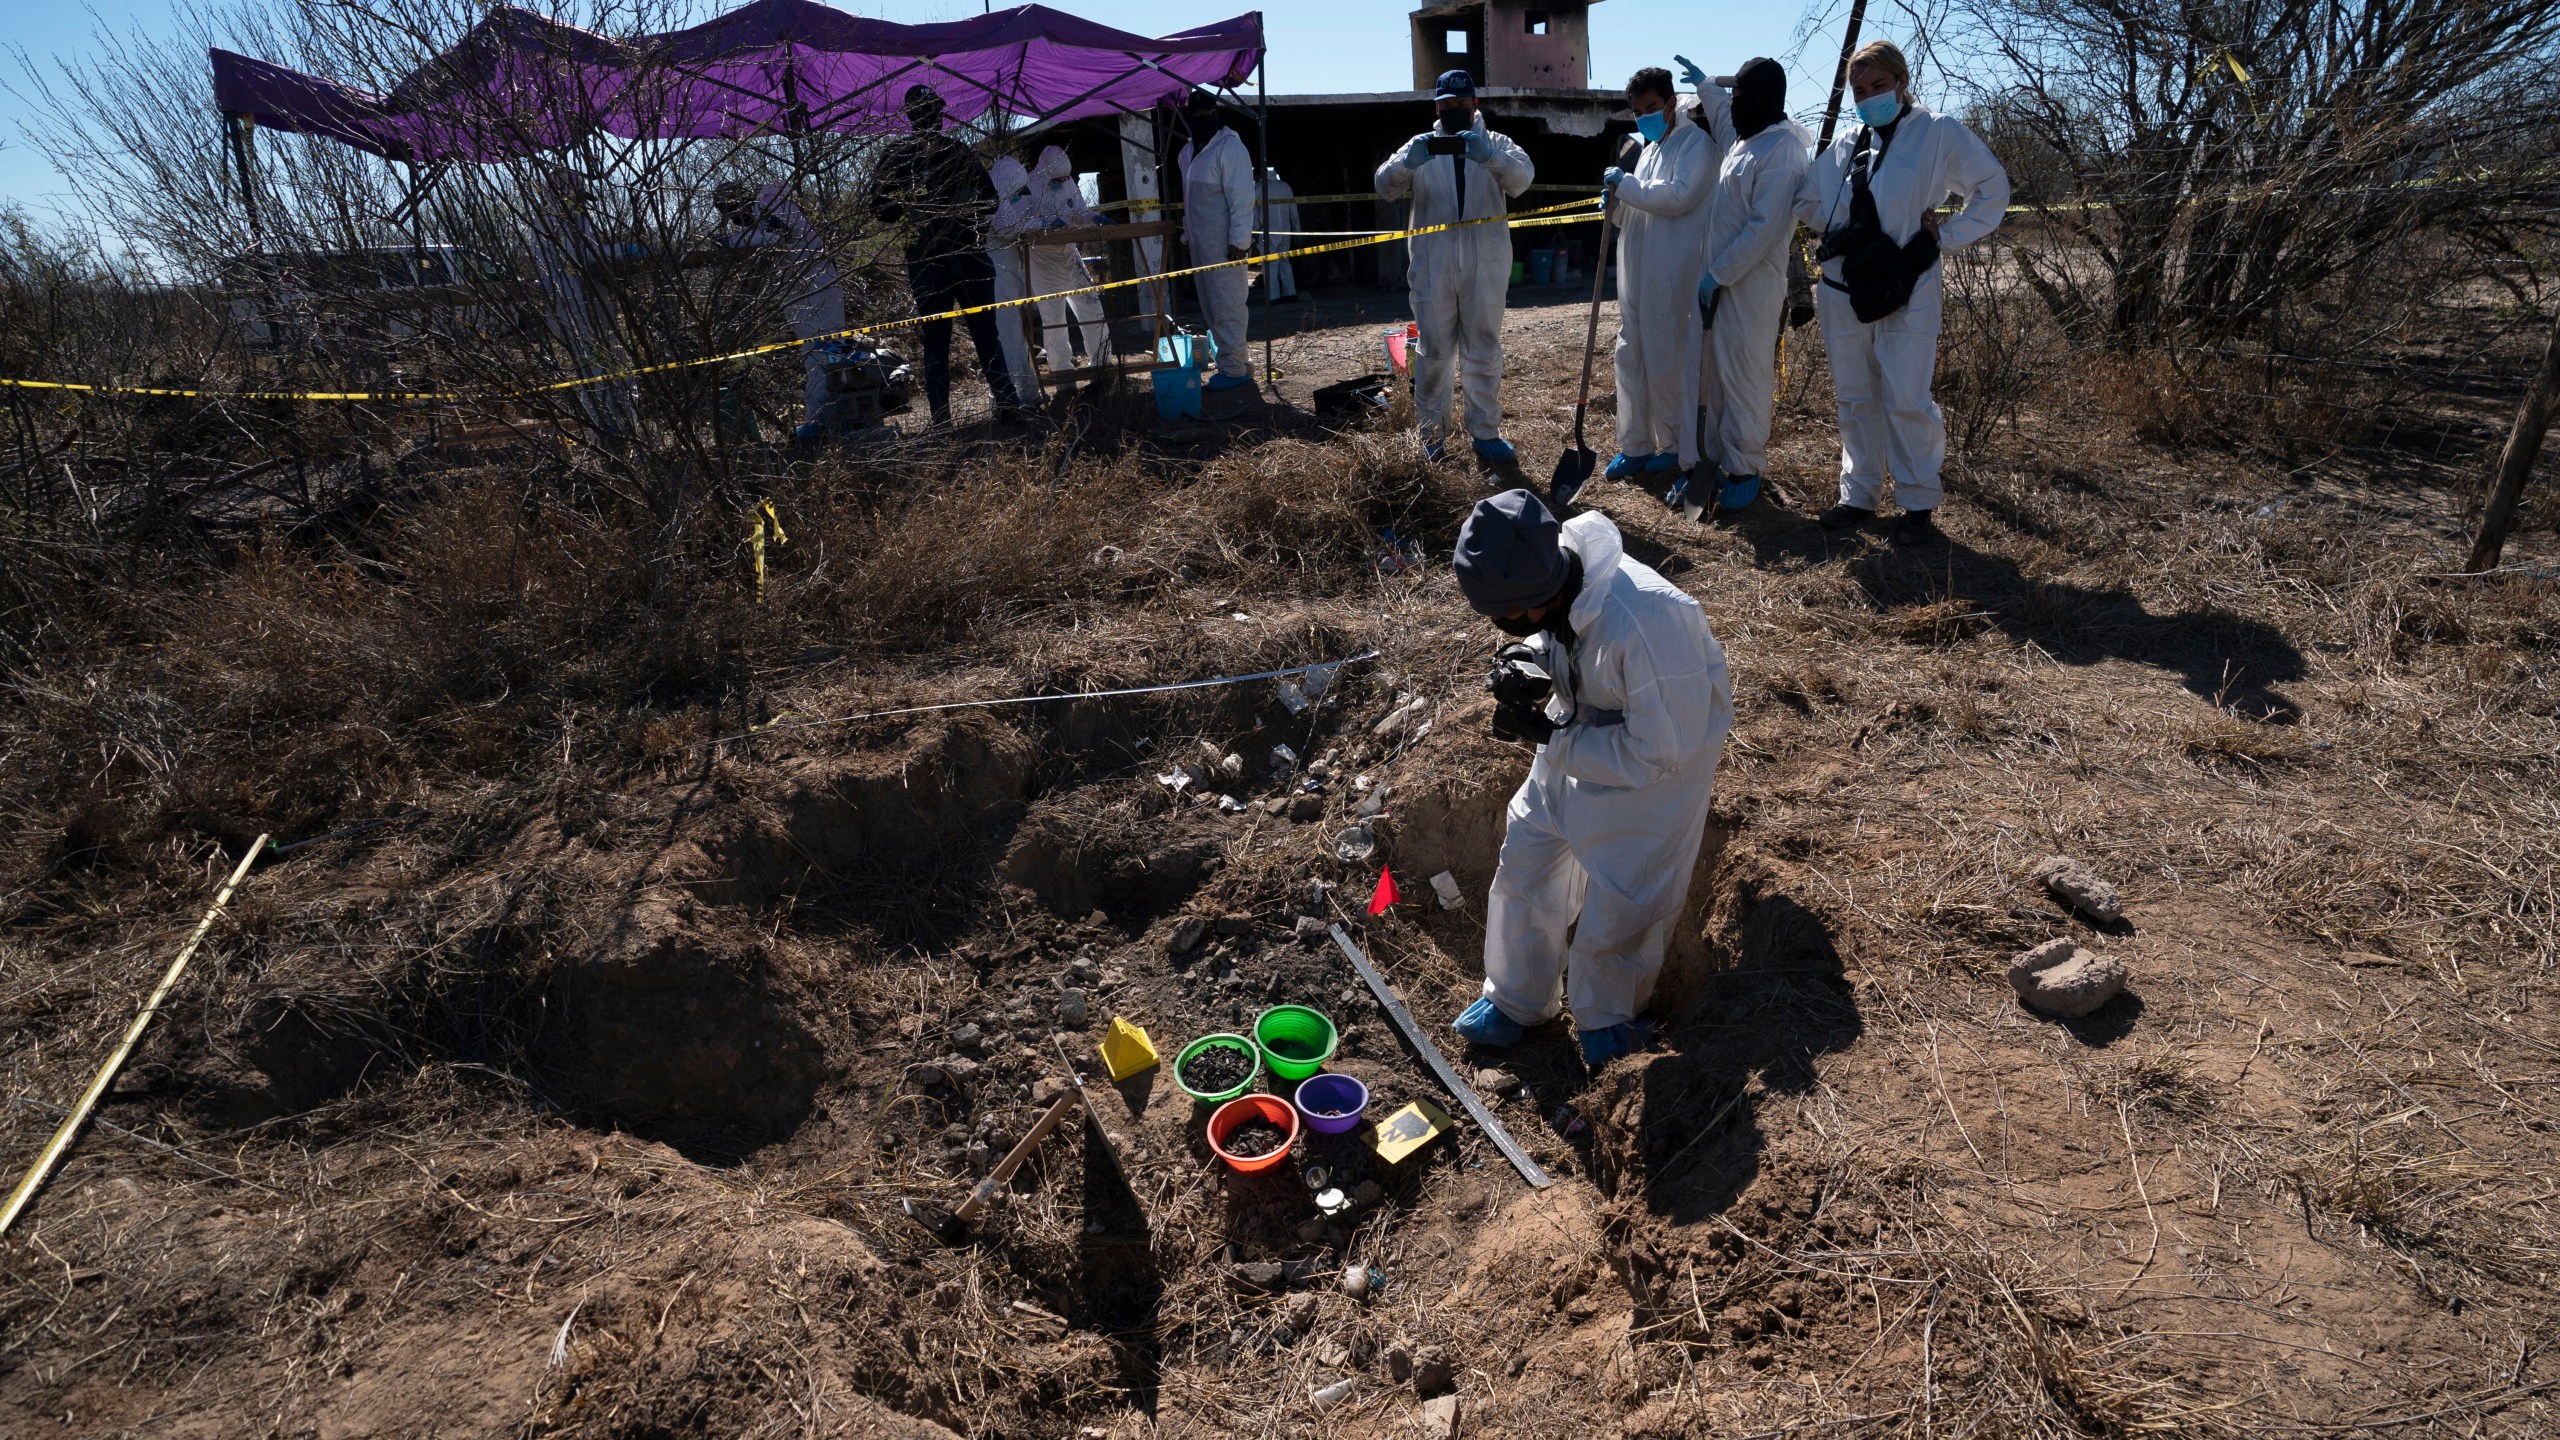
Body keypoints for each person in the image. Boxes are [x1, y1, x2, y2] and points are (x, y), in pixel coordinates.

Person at [1449, 489, 1735, 1067]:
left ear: (1539, 594)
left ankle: (1608, 1016)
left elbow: (1660, 751)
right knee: (1526, 865)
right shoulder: (1555, 586)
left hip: (1651, 782)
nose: (1501, 624)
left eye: (1507, 618)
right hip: (1573, 743)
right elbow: (1559, 638)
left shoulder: (1652, 620)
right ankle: (1516, 998)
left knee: (1627, 899)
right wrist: (1525, 661)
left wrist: (1554, 737)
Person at [1796, 40, 2009, 544]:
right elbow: (1808, 196)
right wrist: (1832, 228)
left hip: (1907, 284)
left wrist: (1945, 236)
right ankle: (1859, 495)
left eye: (1878, 85)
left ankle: (1917, 502)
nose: (1869, 96)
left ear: (1901, 80)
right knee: (1854, 397)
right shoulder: (1847, 144)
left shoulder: (1936, 133)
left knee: (1907, 396)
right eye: (1859, 89)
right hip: (1843, 287)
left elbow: (1993, 188)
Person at [1374, 69, 1535, 465]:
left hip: (1486, 266)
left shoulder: (1495, 143)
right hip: (1433, 266)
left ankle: (1485, 433)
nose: (1454, 111)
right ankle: (1430, 437)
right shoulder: (1420, 145)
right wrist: (1407, 166)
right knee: (1433, 352)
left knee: (1483, 349)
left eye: (1461, 105)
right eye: (1447, 105)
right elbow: (1384, 185)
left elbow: (1523, 179)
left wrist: (1489, 158)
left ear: (1475, 104)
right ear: (1437, 107)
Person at [1689, 58, 1810, 516]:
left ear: (1762, 99)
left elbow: (1764, 228)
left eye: (1740, 95)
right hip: (1725, 283)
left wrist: (1717, 275)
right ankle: (1721, 458)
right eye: (1733, 95)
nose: (1734, 104)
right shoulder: (1748, 141)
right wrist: (1706, 87)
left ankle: (1747, 467)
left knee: (1746, 376)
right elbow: (1724, 121)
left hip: (1752, 286)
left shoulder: (1782, 150)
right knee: (1720, 375)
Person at [863, 83, 1023, 424]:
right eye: (922, 111)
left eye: (933, 109)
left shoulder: (957, 152)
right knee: (936, 340)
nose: (929, 117)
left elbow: (989, 200)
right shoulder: (897, 157)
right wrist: (913, 212)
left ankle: (1008, 406)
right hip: (927, 262)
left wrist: (961, 213)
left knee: (986, 333)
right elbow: (878, 207)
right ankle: (941, 420)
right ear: (910, 116)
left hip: (968, 256)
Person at [1602, 66, 1723, 488]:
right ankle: (1635, 445)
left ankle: (1673, 445)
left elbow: (1677, 198)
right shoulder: (1651, 149)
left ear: (1672, 102)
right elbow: (1637, 212)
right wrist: (1615, 205)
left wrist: (1629, 187)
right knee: (1630, 356)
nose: (1644, 117)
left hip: (1674, 273)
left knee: (1669, 361)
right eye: (1637, 112)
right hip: (1636, 273)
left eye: (1651, 108)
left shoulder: (1698, 146)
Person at [712, 179, 844, 441]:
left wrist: (731, 241)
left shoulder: (769, 201)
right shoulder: (767, 204)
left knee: (821, 355)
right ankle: (827, 420)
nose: (737, 221)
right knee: (817, 356)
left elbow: (778, 234)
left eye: (733, 214)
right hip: (800, 289)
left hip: (815, 287)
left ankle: (820, 424)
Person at [528, 169, 637, 438]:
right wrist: (624, 251)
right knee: (596, 370)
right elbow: (584, 255)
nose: (581, 203)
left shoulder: (564, 220)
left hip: (583, 305)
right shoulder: (553, 223)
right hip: (575, 306)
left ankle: (621, 426)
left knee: (610, 366)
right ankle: (610, 431)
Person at [1178, 87, 1257, 393]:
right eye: (1195, 114)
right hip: (1201, 245)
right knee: (1211, 308)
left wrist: (1239, 241)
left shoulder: (1229, 148)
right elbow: (1189, 200)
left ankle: (1234, 369)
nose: (1201, 119)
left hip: (1226, 246)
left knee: (1229, 306)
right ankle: (1236, 361)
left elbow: (1242, 199)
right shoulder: (1187, 153)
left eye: (1206, 113)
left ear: (1216, 113)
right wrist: (1188, 234)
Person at [1027, 145, 1112, 370]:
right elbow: (1021, 224)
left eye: (1067, 178)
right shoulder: (1028, 187)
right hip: (1043, 262)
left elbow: (1080, 212)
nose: (1064, 181)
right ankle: (1062, 374)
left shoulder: (1068, 183)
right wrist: (1045, 224)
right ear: (1045, 171)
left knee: (1092, 309)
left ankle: (1102, 365)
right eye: (1059, 178)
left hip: (1070, 256)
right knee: (1054, 321)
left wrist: (1093, 218)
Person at [985, 153, 1046, 409]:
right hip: (998, 280)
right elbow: (1010, 228)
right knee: (1008, 339)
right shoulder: (994, 201)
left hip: (1007, 277)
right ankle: (1014, 396)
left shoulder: (998, 197)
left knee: (1015, 338)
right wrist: (1040, 221)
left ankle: (1022, 393)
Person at [1255, 167, 1301, 301]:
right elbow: (1294, 213)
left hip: (1267, 232)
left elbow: (1252, 211)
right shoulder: (1285, 187)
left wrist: (1254, 229)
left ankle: (1272, 296)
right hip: (1286, 232)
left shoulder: (1259, 188)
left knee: (1270, 264)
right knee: (1284, 262)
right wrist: (1297, 232)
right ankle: (1290, 293)